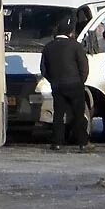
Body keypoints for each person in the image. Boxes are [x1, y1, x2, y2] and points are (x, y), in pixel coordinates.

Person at [40, 14, 91, 152]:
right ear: (70, 32)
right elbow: (84, 67)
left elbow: (43, 69)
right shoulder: (75, 46)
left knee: (58, 115)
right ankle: (82, 142)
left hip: (57, 85)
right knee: (78, 114)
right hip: (74, 85)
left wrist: (53, 80)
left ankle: (57, 142)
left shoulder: (48, 47)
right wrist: (81, 81)